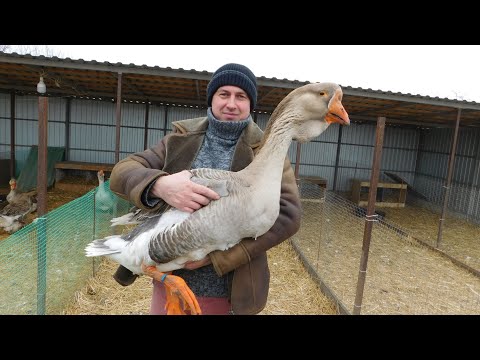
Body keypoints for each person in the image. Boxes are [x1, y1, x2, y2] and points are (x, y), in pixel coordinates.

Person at [109, 63, 302, 315]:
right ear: (212, 99)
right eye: (224, 94)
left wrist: (215, 257)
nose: (231, 103)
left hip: (229, 290)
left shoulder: (266, 152)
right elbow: (123, 171)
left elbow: (288, 215)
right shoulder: (179, 140)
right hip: (169, 280)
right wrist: (160, 185)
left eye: (240, 96)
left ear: (250, 104)